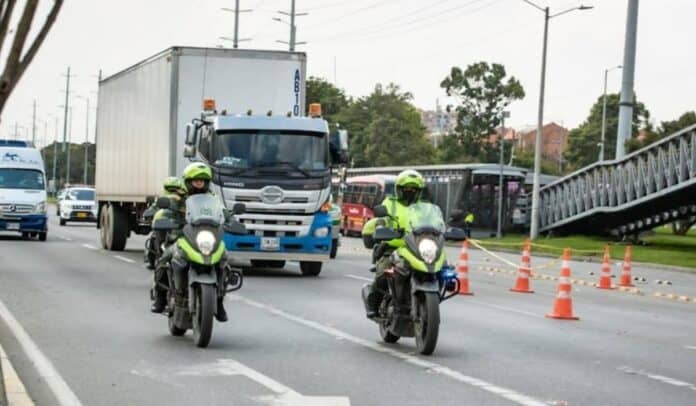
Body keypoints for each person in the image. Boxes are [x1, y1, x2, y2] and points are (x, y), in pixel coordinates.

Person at [151, 163, 229, 322]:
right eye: (195, 180)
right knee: (164, 259)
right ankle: (159, 298)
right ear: (188, 181)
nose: (199, 183)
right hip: (182, 237)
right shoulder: (178, 197)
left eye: (202, 180)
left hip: (206, 239)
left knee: (224, 259)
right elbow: (165, 210)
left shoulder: (214, 199)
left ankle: (219, 300)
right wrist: (164, 217)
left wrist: (231, 219)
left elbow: (223, 213)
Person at [361, 169, 425, 319]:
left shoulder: (423, 207)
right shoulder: (390, 203)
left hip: (417, 248)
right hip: (393, 248)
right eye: (406, 189)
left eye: (413, 189)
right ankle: (373, 301)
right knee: (384, 272)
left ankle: (426, 299)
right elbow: (381, 220)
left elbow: (434, 223)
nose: (410, 192)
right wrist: (382, 228)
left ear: (419, 191)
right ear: (399, 190)